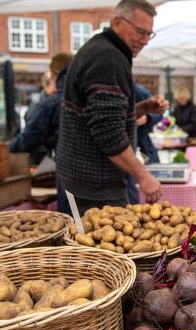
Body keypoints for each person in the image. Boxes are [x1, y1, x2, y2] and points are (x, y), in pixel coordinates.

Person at [56, 0, 168, 215]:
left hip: (83, 180)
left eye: (149, 34)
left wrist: (142, 108)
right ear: (117, 22)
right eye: (140, 32)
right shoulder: (108, 57)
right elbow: (108, 133)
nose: (145, 41)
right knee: (103, 248)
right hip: (94, 187)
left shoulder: (100, 49)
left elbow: (101, 116)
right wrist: (143, 176)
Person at [10, 53, 73, 166]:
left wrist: (5, 148)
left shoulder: (51, 104)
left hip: (68, 170)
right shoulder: (86, 96)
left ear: (56, 74)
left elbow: (30, 139)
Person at [127, 82, 162, 204]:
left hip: (143, 146)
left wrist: (147, 118)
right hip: (125, 150)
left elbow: (159, 114)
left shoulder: (140, 91)